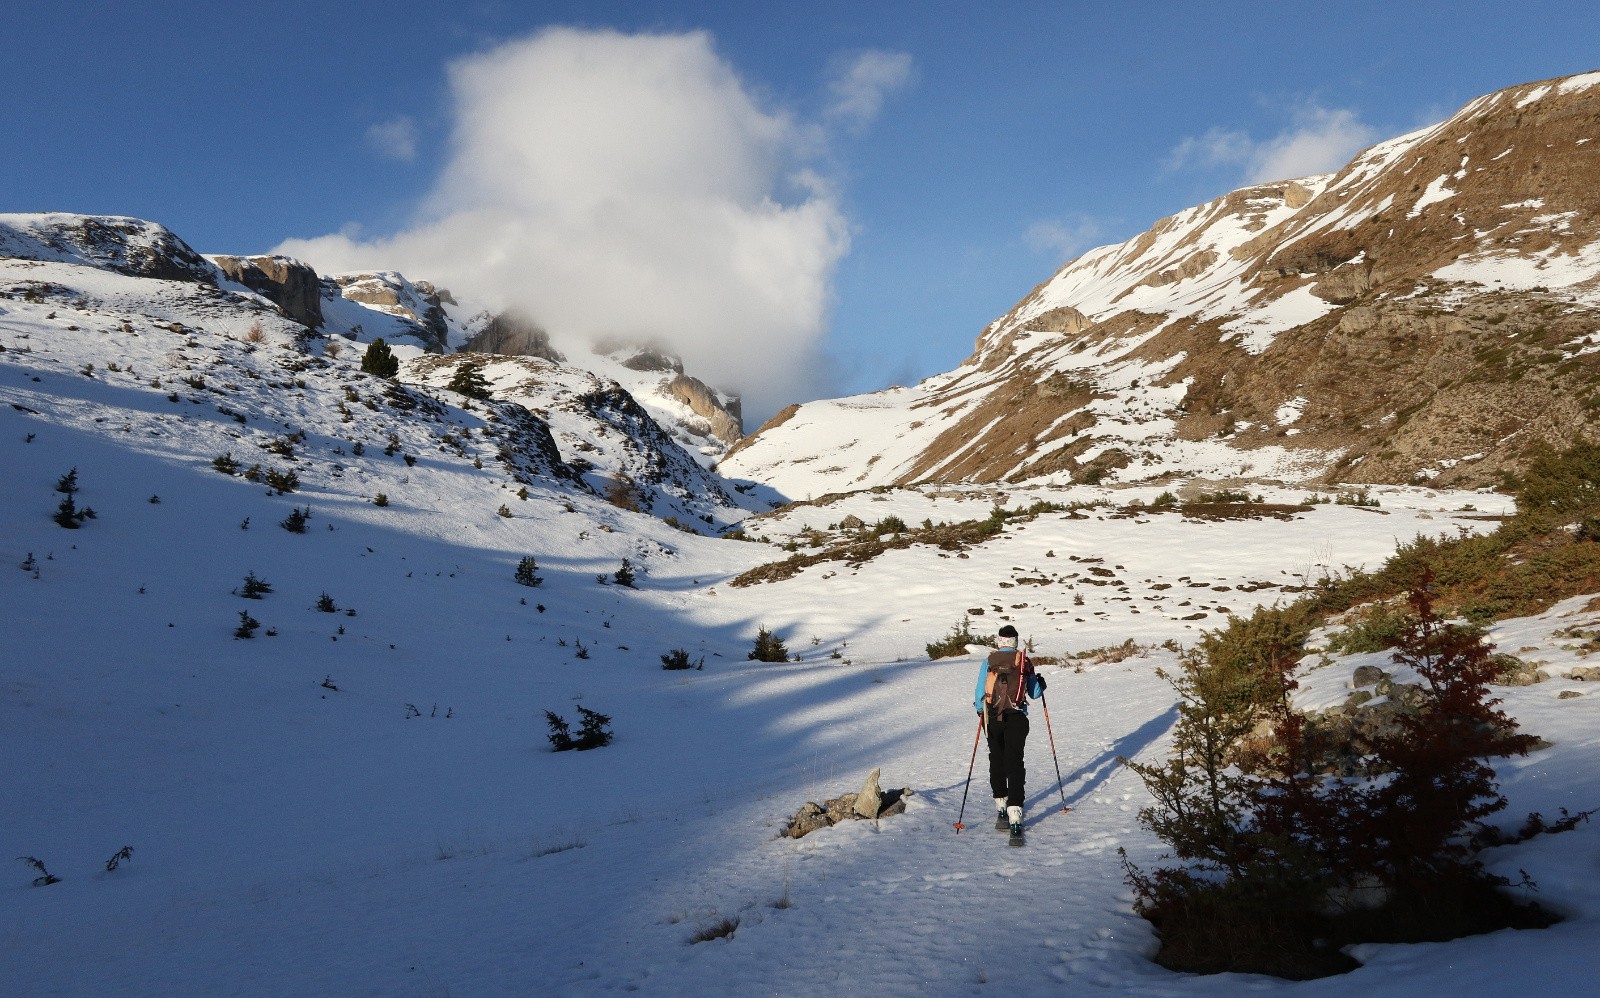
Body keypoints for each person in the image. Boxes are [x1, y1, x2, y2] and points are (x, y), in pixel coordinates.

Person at [973, 624, 1045, 846]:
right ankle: (1016, 817)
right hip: (1017, 717)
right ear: (1015, 641)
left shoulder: (989, 661)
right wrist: (1041, 683)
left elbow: (979, 694)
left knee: (997, 759)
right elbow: (1034, 693)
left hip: (992, 717)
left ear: (999, 641)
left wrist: (981, 713)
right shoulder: (1023, 661)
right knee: (1015, 762)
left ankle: (1001, 809)